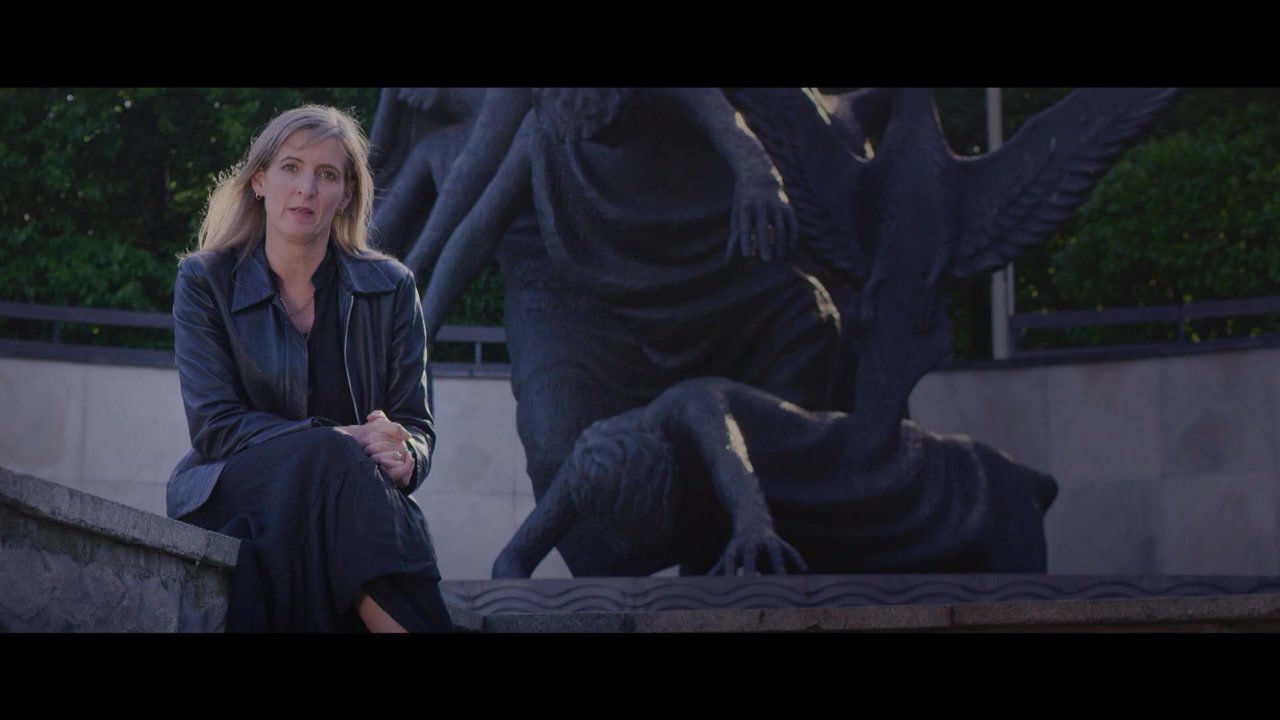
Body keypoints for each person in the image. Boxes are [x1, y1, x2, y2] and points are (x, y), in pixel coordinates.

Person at [166, 104, 452, 632]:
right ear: (259, 181)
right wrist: (339, 437)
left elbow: (415, 424)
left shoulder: (391, 288)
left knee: (338, 488)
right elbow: (215, 426)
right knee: (332, 457)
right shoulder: (206, 280)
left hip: (345, 500)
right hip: (230, 488)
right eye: (292, 168)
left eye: (326, 174)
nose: (307, 189)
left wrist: (405, 456)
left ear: (346, 194)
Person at [492, 376, 1059, 579]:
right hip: (794, 525)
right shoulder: (590, 470)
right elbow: (511, 561)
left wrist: (751, 523)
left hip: (844, 475)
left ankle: (995, 484)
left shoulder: (692, 405)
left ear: (665, 468)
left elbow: (730, 458)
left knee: (936, 498)